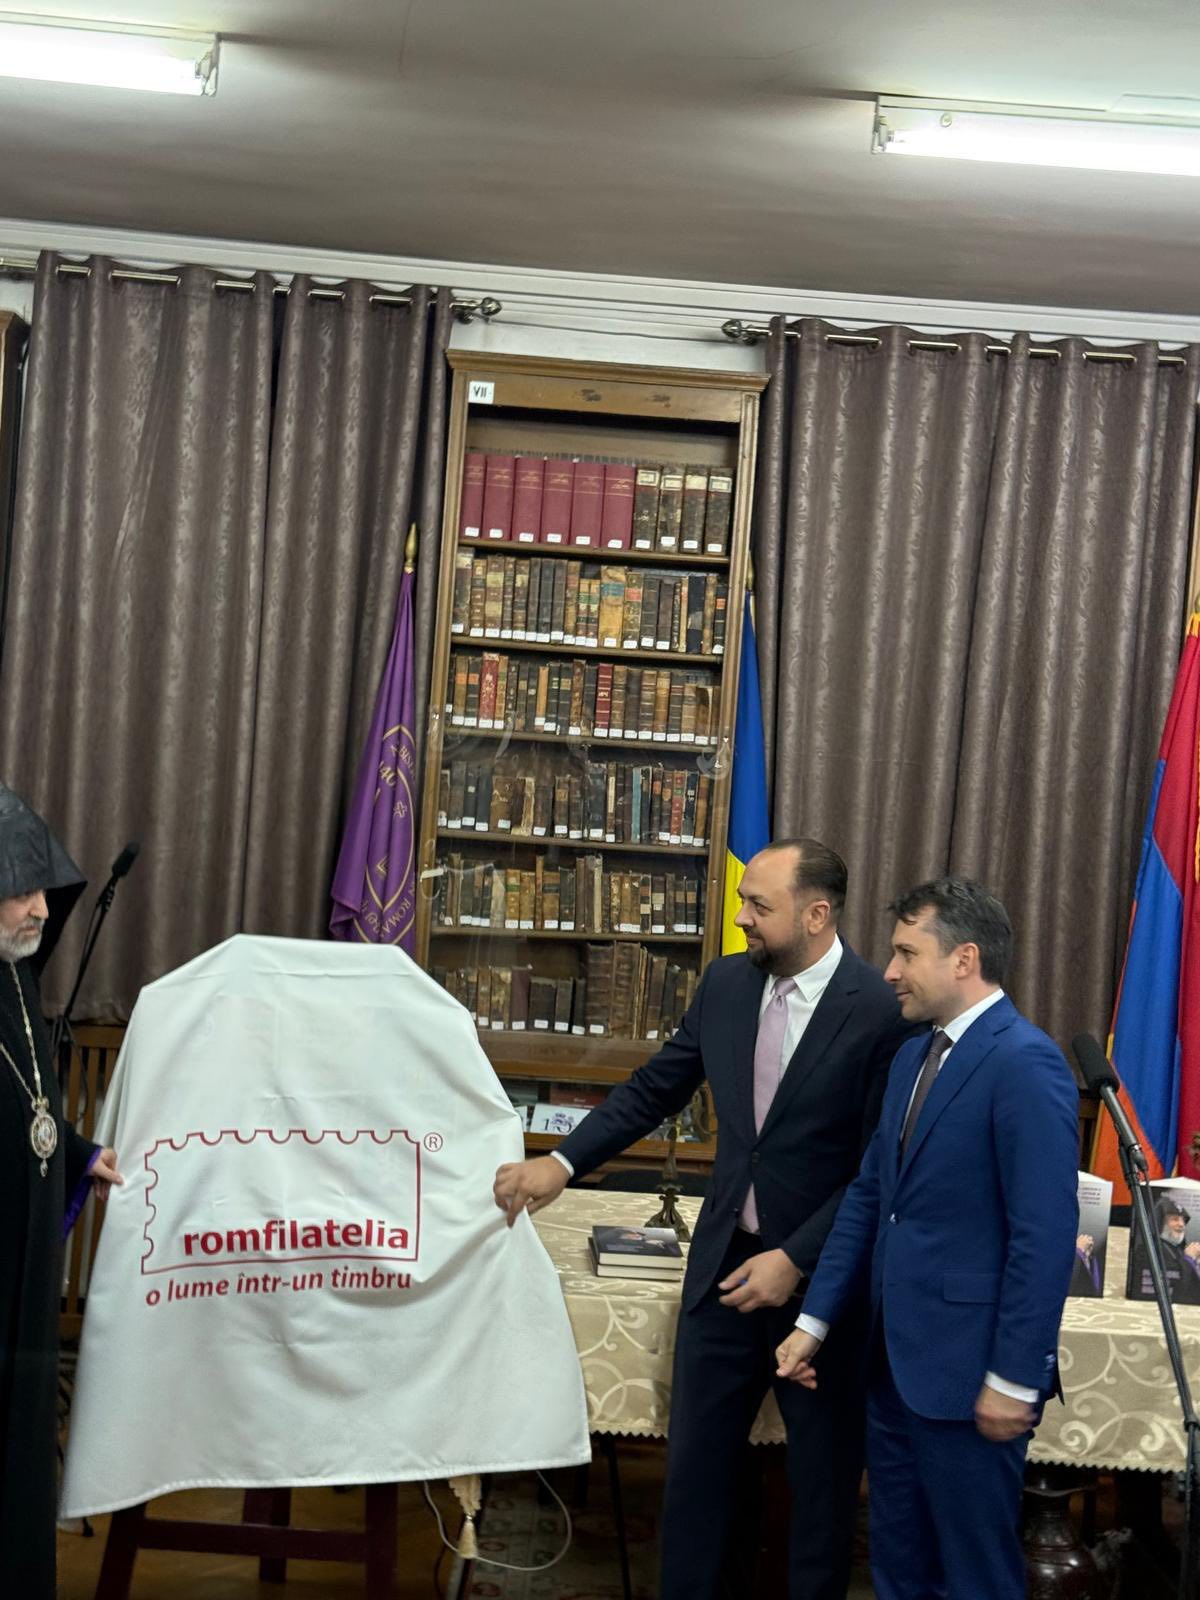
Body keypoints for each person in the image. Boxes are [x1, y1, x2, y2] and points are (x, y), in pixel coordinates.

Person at [494, 838, 916, 1600]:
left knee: (820, 1497)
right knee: (694, 1485)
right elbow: (654, 1088)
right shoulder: (725, 983)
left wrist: (796, 1257)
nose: (741, 917)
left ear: (817, 914)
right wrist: (560, 1163)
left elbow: (877, 1167)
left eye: (759, 905)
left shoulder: (884, 1011)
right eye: (744, 902)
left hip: (823, 1290)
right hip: (723, 1269)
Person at [776, 877, 1078, 1600]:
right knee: (898, 1567)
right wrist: (814, 1322)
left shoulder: (1025, 1062)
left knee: (974, 1577)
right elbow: (870, 1198)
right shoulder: (914, 1057)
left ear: (964, 959)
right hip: (891, 1368)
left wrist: (1014, 1379)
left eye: (907, 954)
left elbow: (1043, 1237)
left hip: (971, 1378)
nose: (889, 971)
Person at [0, 783, 123, 1597]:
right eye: (22, 891)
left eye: (45, 890)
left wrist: (79, 1153)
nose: (42, 910)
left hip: (24, 1267)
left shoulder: (15, 981)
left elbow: (29, 1103)